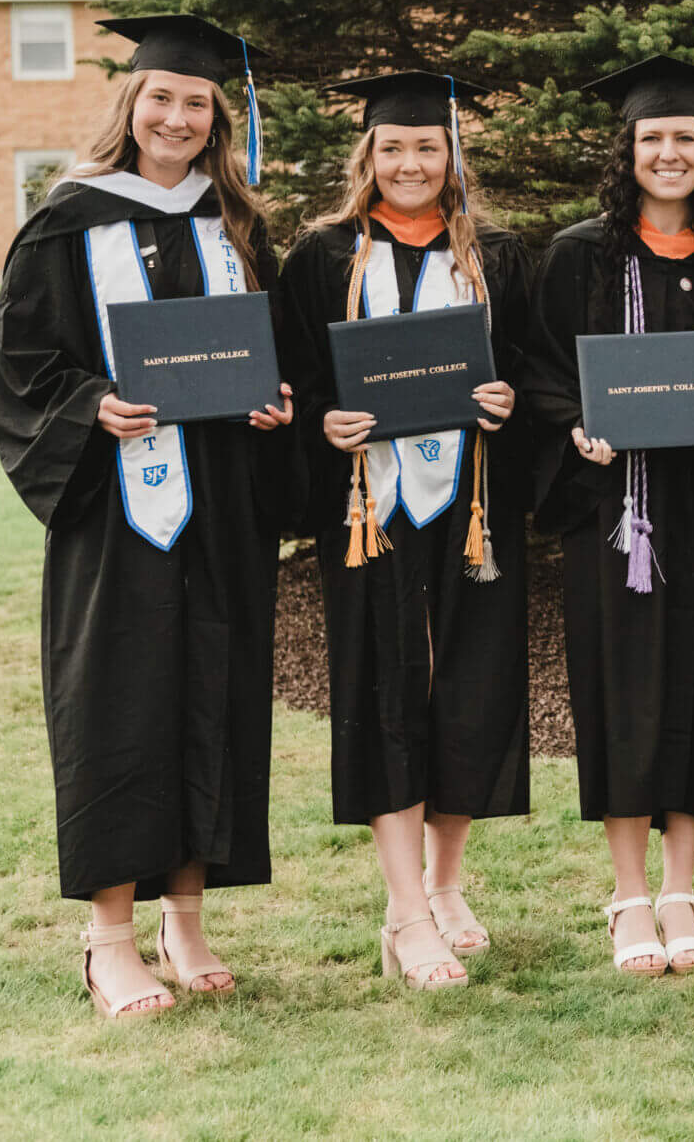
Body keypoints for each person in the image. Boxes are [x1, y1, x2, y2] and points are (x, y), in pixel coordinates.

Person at [0, 14, 298, 1020]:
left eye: (195, 103)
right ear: (132, 106)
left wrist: (274, 403)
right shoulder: (67, 219)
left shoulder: (237, 225)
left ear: (215, 119)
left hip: (221, 508)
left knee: (215, 693)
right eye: (159, 98)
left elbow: (278, 350)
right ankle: (108, 940)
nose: (175, 117)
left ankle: (188, 922)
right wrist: (90, 407)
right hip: (116, 506)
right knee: (119, 704)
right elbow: (21, 363)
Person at [278, 71, 535, 990]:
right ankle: (404, 909)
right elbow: (293, 378)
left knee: (469, 687)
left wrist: (511, 400)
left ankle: (448, 882)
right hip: (367, 510)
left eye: (428, 147)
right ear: (368, 156)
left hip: (473, 507)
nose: (411, 163)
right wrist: (322, 423)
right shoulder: (323, 258)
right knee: (388, 684)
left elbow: (536, 373)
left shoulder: (498, 256)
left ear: (452, 156)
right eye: (393, 147)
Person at [523, 55, 694, 976]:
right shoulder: (581, 254)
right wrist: (575, 429)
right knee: (622, 696)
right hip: (617, 519)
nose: (670, 153)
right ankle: (628, 895)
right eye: (652, 138)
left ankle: (681, 891)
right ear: (627, 148)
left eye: (685, 138)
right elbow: (544, 371)